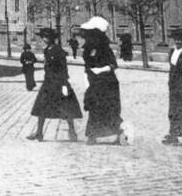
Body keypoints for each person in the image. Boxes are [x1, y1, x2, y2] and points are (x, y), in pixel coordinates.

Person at [27, 27, 81, 141]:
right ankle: (39, 133)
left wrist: (65, 85)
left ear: (51, 38)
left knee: (66, 108)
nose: (43, 39)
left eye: (45, 37)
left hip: (59, 83)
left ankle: (72, 133)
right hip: (48, 83)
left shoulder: (58, 50)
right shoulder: (47, 50)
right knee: (41, 107)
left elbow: (63, 68)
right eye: (43, 37)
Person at [80, 16, 125, 145]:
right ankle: (92, 135)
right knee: (94, 108)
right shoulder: (87, 49)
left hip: (107, 82)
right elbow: (87, 66)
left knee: (109, 109)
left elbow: (113, 65)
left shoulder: (105, 49)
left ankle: (120, 133)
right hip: (94, 82)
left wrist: (100, 70)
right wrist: (86, 79)